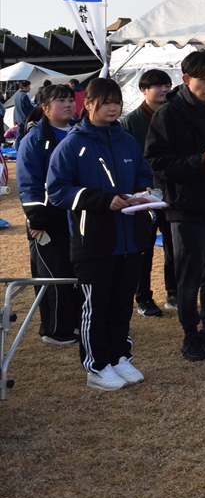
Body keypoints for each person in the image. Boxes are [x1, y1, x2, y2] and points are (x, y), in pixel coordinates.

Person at [47, 78, 156, 391]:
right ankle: (96, 366)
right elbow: (57, 190)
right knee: (96, 307)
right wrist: (102, 200)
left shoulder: (127, 141)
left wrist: (143, 193)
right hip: (93, 241)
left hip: (130, 238)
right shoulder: (73, 144)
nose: (113, 108)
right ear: (89, 104)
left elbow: (143, 174)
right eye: (106, 102)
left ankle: (119, 356)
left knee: (121, 304)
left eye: (117, 102)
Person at [144, 50, 205, 362]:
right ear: (186, 79)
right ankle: (190, 334)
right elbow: (157, 161)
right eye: (204, 79)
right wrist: (201, 161)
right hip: (184, 206)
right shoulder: (168, 114)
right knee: (189, 274)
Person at [17, 84, 82, 345]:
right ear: (45, 108)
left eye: (70, 100)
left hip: (77, 213)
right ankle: (55, 329)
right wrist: (37, 218)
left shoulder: (79, 132)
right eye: (60, 101)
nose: (68, 105)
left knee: (77, 270)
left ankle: (78, 322)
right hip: (48, 218)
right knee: (52, 272)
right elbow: (28, 182)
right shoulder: (35, 139)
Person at [120, 68, 174, 318]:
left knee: (175, 246)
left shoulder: (173, 114)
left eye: (167, 85)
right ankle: (143, 297)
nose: (164, 90)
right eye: (158, 86)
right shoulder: (131, 121)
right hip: (144, 193)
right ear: (144, 90)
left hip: (172, 191)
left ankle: (174, 293)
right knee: (144, 248)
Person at [13, 80, 34, 144]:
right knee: (27, 136)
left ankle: (17, 148)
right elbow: (30, 107)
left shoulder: (17, 96)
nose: (29, 88)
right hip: (25, 119)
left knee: (19, 137)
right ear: (24, 87)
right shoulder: (24, 95)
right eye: (28, 86)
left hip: (19, 119)